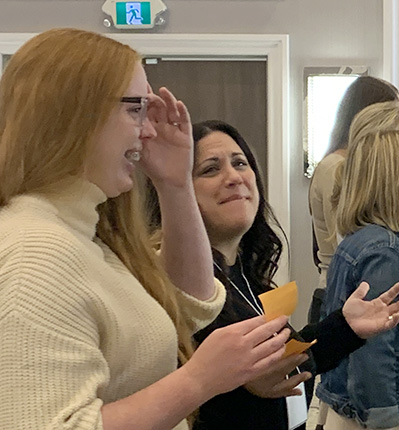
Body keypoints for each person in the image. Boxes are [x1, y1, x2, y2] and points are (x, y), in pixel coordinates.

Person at [0, 28, 290, 430]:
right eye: (135, 108)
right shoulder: (37, 251)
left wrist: (174, 182)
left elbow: (190, 306)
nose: (149, 130)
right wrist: (198, 380)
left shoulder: (85, 233)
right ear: (76, 114)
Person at [181, 120, 399, 430]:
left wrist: (345, 327)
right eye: (211, 169)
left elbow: (285, 366)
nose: (234, 177)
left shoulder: (248, 276)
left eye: (240, 163)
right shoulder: (184, 288)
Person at [317, 103, 399, 429]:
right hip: (391, 417)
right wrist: (384, 420)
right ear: (392, 179)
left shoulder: (364, 240)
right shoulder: (384, 252)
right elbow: (372, 351)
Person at [309, 75, 399, 319]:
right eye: (390, 118)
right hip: (338, 298)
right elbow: (348, 243)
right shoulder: (335, 168)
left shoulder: (358, 168)